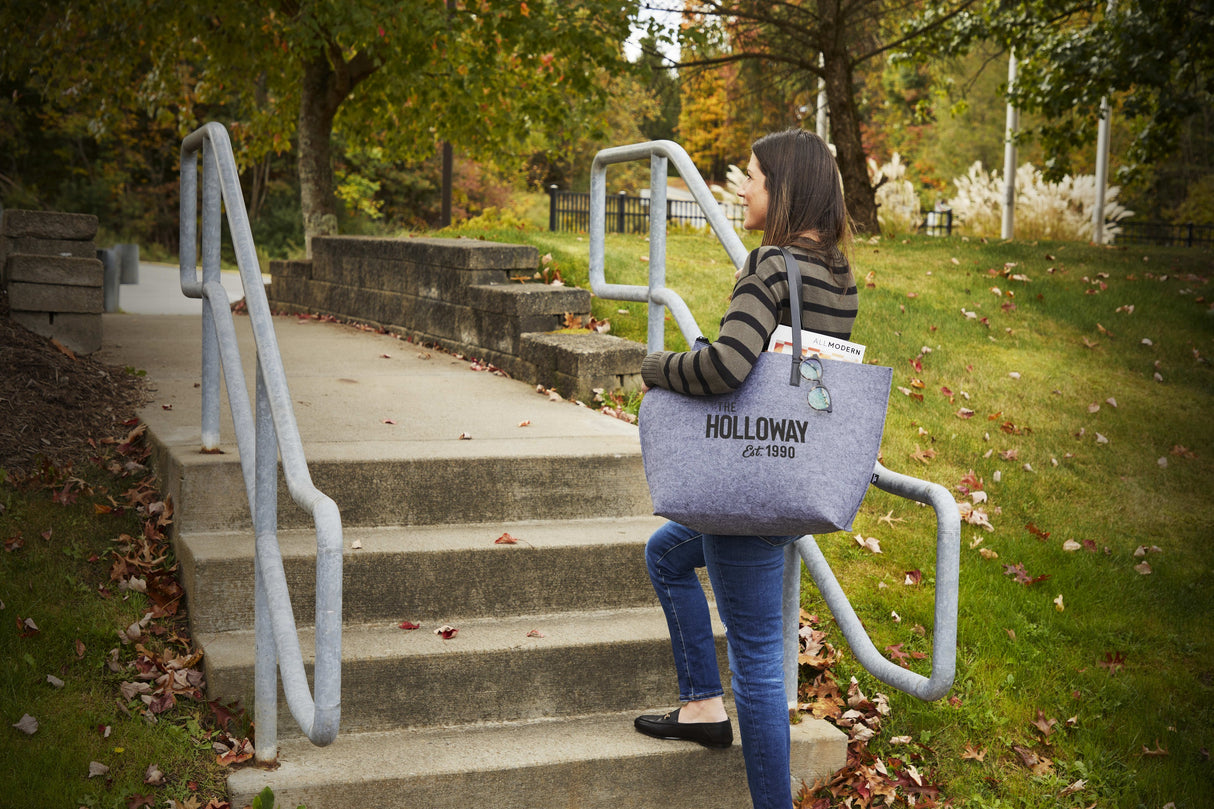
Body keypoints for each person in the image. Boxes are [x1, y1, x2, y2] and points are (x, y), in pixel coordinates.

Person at [633, 129, 859, 809]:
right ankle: (702, 702)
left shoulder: (769, 266)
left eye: (755, 177)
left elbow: (729, 367)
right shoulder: (837, 274)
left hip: (745, 485)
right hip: (790, 475)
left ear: (784, 189)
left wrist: (657, 368)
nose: (745, 188)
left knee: (760, 664)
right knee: (668, 554)